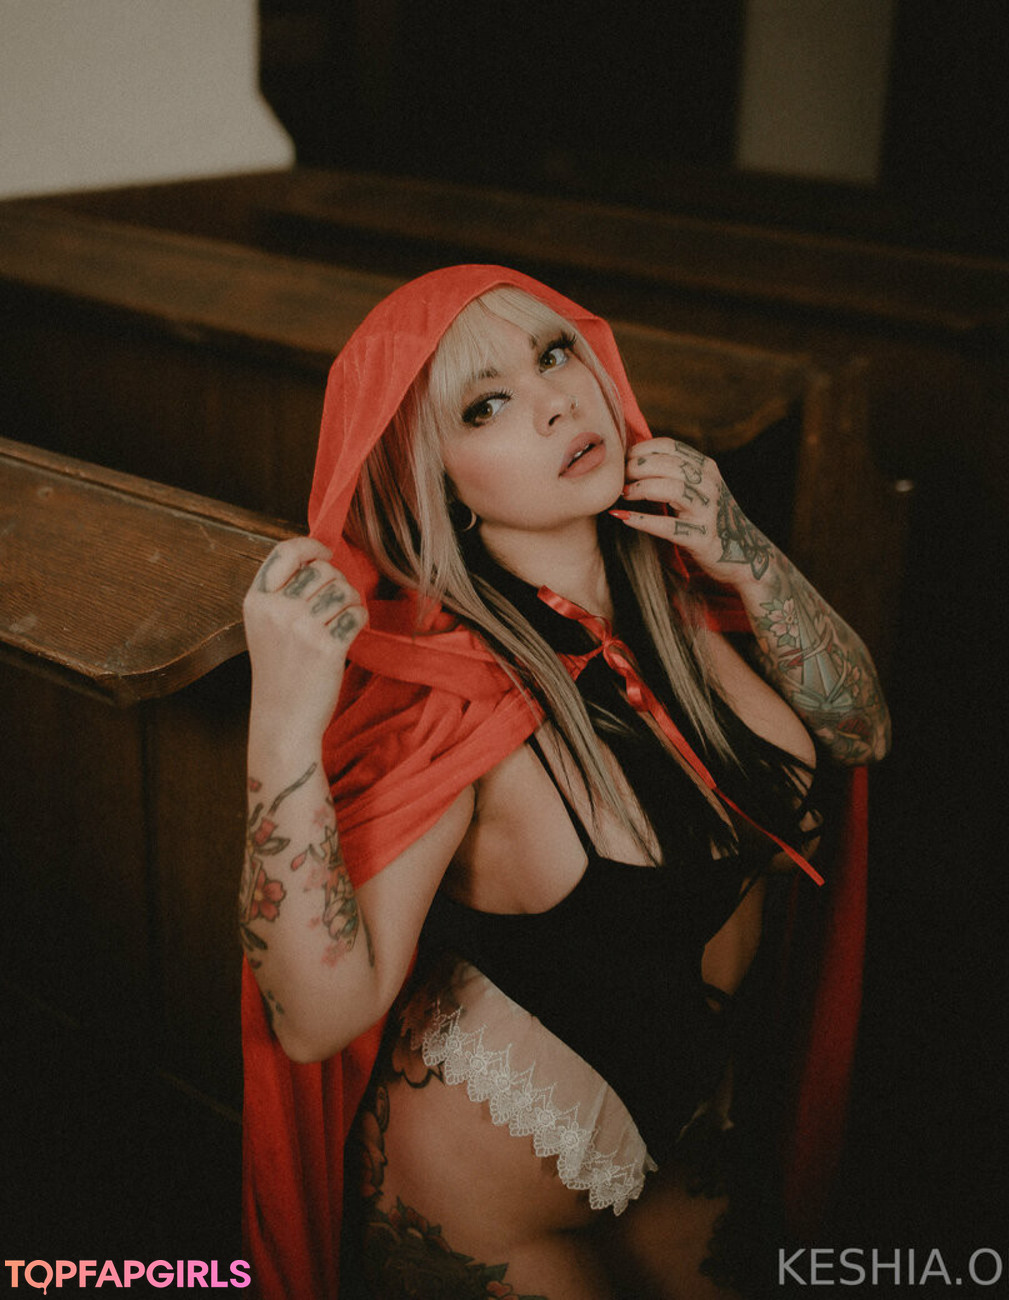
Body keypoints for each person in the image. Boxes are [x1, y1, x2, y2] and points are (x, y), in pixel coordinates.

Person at [238, 265, 890, 1299]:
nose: (554, 402)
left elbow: (860, 731)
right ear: (438, 481)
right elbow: (317, 1018)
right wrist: (282, 725)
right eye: (486, 405)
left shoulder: (678, 590)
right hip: (483, 1198)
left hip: (682, 1143)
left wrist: (746, 553)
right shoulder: (455, 697)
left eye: (555, 354)